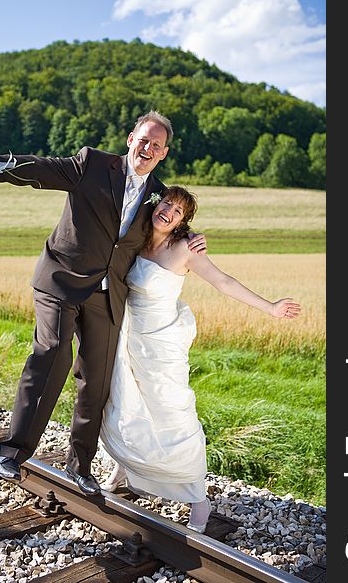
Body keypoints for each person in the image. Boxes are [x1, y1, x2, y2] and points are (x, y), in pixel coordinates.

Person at [0, 111, 206, 495]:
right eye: (143, 139)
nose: (147, 148)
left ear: (163, 153)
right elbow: (37, 169)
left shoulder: (159, 195)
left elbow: (170, 226)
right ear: (130, 138)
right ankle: (14, 452)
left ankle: (80, 466)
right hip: (61, 280)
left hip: (106, 295)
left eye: (156, 145)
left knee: (96, 380)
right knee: (53, 354)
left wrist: (192, 238)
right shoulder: (92, 164)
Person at [97, 185, 301, 533]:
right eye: (167, 204)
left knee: (171, 411)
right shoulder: (138, 234)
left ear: (183, 221)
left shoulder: (186, 249)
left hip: (161, 345)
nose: (169, 212)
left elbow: (223, 282)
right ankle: (124, 466)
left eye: (178, 211)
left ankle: (198, 500)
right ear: (157, 203)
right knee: (125, 401)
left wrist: (271, 307)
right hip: (130, 336)